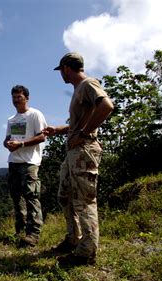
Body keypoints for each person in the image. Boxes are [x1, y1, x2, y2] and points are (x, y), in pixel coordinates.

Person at [43, 52, 114, 266]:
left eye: (61, 71)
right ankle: (73, 239)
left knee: (84, 201)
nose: (61, 76)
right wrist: (60, 129)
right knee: (65, 196)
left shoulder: (87, 84)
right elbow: (80, 122)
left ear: (66, 68)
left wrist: (83, 134)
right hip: (74, 154)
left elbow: (106, 106)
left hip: (84, 151)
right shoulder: (78, 90)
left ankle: (87, 253)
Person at [3, 85, 47, 247]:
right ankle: (20, 230)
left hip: (30, 162)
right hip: (14, 161)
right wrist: (7, 144)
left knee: (31, 197)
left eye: (19, 97)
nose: (16, 100)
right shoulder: (11, 120)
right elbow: (7, 138)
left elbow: (42, 136)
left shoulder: (35, 114)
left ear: (27, 98)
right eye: (14, 97)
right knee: (17, 198)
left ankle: (33, 233)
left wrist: (21, 144)